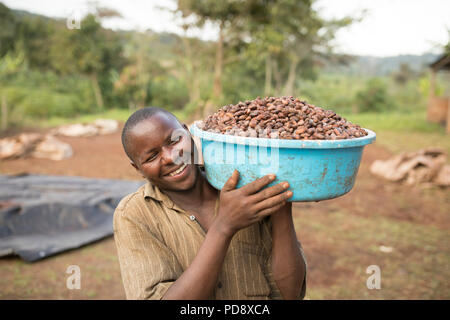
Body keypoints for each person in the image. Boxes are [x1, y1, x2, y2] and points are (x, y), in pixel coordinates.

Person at [113, 106, 307, 300]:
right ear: (137, 168)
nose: (172, 157)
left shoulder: (247, 188)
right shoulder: (134, 214)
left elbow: (291, 294)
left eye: (175, 140)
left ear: (187, 133)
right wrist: (224, 226)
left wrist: (281, 202)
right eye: (152, 156)